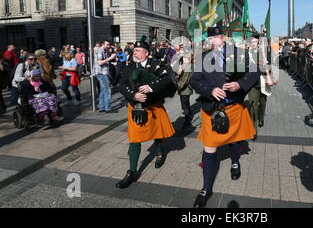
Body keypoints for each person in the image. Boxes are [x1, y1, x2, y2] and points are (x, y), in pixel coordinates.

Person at [189, 25, 261, 208]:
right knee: (209, 147)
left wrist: (239, 84)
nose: (212, 41)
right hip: (212, 109)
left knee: (235, 140)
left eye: (215, 38)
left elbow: (255, 72)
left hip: (233, 106)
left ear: (223, 38)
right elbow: (194, 80)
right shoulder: (203, 58)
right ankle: (206, 188)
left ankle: (235, 162)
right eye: (210, 39)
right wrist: (210, 90)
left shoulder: (238, 54)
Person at [116, 36, 177, 189]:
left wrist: (151, 88)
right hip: (136, 107)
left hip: (153, 106)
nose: (134, 52)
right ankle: (132, 172)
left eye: (137, 50)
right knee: (134, 139)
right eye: (134, 50)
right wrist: (133, 95)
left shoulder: (157, 64)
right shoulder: (129, 67)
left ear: (145, 53)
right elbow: (121, 85)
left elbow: (169, 79)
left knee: (158, 133)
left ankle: (160, 153)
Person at [247, 33, 276, 140]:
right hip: (252, 82)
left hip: (263, 80)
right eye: (251, 41)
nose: (253, 43)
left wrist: (271, 76)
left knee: (262, 102)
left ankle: (261, 117)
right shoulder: (247, 52)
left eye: (255, 42)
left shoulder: (266, 52)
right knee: (253, 104)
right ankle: (253, 129)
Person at [94, 40, 116, 112]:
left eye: (109, 45)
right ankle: (107, 108)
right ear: (102, 44)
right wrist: (110, 58)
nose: (108, 46)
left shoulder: (104, 51)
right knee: (107, 90)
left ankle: (102, 107)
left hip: (103, 72)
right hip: (101, 73)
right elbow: (100, 62)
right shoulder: (100, 51)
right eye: (107, 45)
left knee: (103, 91)